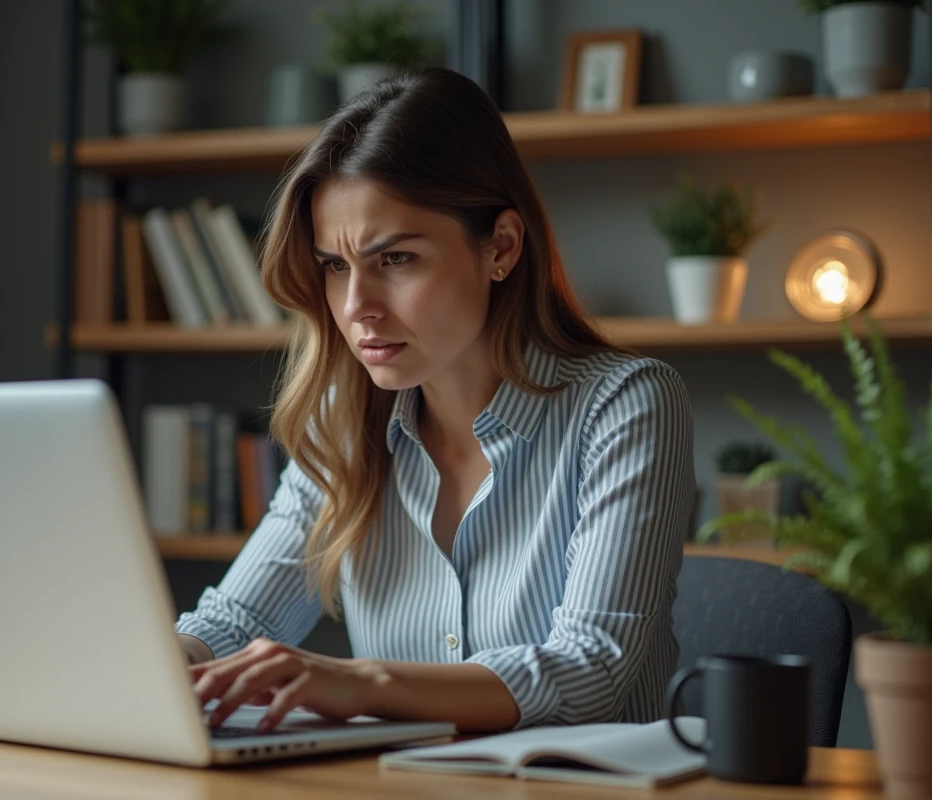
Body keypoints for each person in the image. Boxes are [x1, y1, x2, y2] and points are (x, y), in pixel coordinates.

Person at [174, 67, 694, 735]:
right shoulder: (344, 419)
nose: (357, 306)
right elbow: (239, 621)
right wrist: (165, 661)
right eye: (335, 266)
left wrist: (360, 682)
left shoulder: (625, 406)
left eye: (395, 260)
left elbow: (590, 670)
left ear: (500, 247)